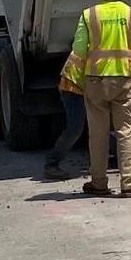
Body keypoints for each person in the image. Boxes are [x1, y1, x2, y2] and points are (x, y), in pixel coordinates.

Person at [72, 0, 131, 198]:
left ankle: (98, 183)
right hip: (124, 81)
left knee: (97, 134)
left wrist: (77, 81)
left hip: (95, 81)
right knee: (125, 132)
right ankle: (129, 182)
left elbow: (78, 50)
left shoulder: (89, 15)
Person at [42, 50, 87, 179]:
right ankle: (51, 164)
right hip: (72, 86)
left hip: (82, 83)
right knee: (75, 128)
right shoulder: (99, 46)